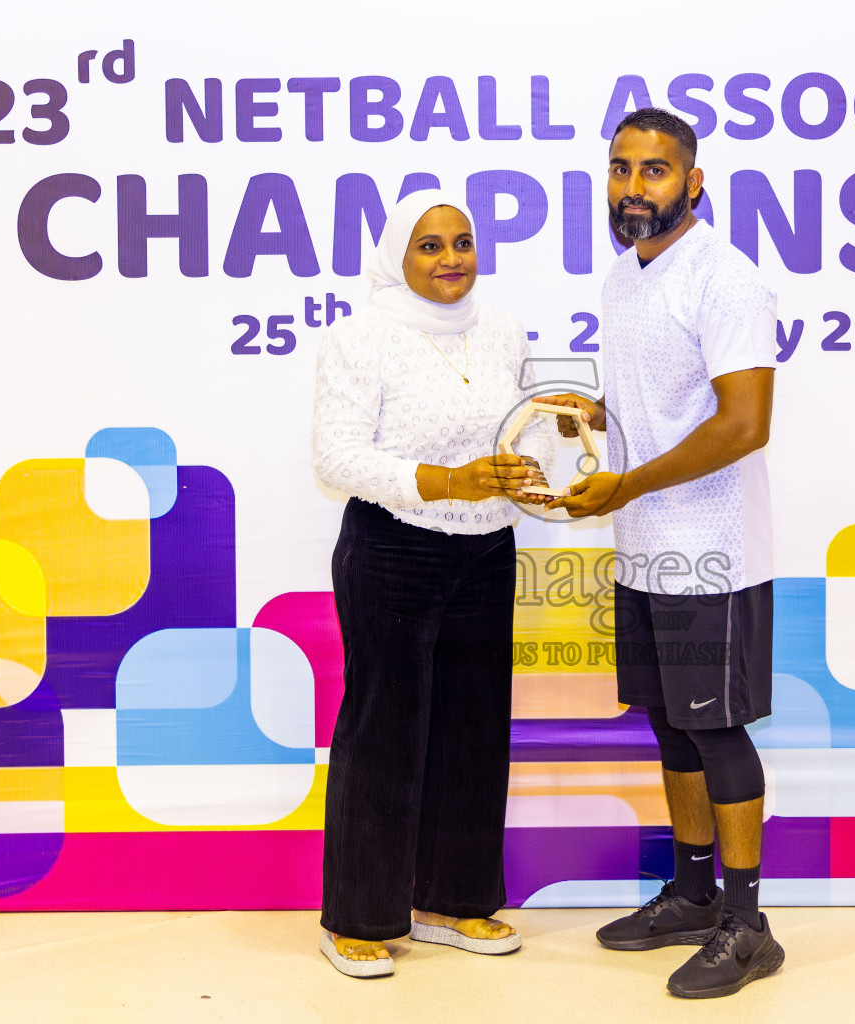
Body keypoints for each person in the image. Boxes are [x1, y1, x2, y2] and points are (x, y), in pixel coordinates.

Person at [543, 107, 784, 999]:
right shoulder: (623, 277)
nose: (634, 187)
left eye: (654, 171)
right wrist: (599, 416)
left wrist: (630, 481)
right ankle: (690, 891)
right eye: (620, 169)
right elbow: (668, 403)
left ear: (693, 181)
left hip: (711, 551)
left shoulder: (725, 280)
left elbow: (744, 424)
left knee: (716, 729)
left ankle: (748, 923)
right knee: (671, 722)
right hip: (644, 548)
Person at [310, 190, 553, 979]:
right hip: (393, 548)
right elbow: (337, 458)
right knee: (385, 731)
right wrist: (449, 479)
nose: (450, 257)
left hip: (487, 548)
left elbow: (517, 434)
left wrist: (556, 439)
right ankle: (357, 916)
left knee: (475, 729)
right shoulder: (360, 337)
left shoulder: (503, 330)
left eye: (462, 241)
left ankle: (454, 901)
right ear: (396, 256)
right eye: (429, 245)